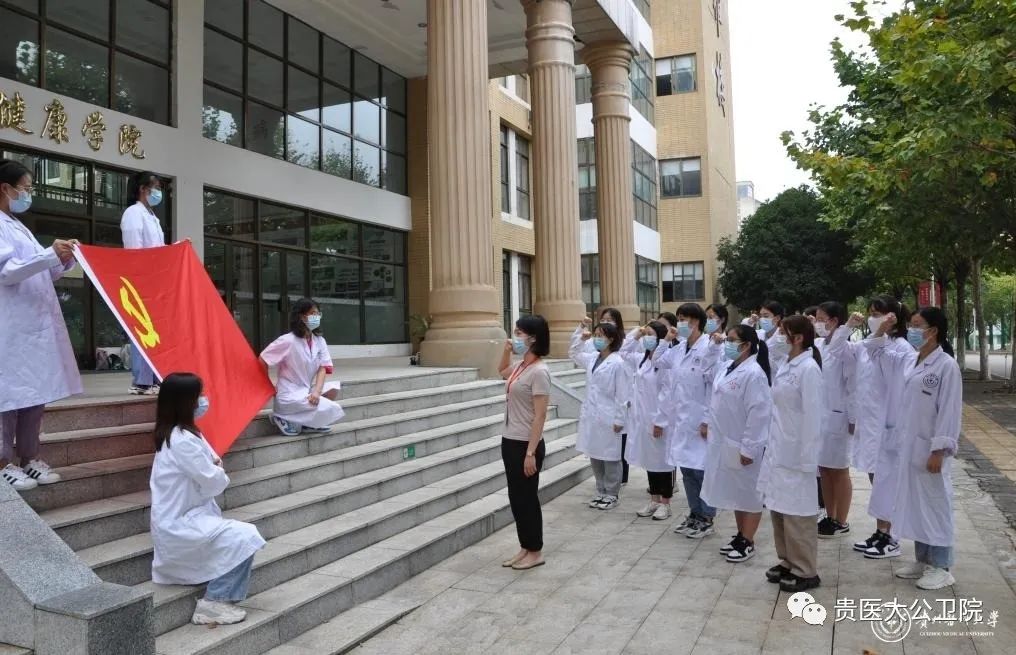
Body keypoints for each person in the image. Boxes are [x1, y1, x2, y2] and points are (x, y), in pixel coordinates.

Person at [149, 373, 266, 625]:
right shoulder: (181, 441)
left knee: (241, 537)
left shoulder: (181, 434)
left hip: (189, 516)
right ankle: (214, 602)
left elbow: (208, 472)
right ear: (186, 402)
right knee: (246, 536)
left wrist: (213, 467)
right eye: (198, 395)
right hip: (179, 523)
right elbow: (213, 481)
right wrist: (217, 469)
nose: (203, 400)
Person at [864, 308, 961, 590]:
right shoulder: (910, 359)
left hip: (930, 450)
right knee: (916, 505)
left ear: (934, 331)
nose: (912, 330)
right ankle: (923, 559)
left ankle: (941, 566)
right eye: (910, 324)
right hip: (908, 448)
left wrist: (939, 450)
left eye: (918, 325)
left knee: (935, 504)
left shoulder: (946, 366)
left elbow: (949, 411)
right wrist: (883, 327)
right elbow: (874, 348)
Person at [0, 159, 80, 491]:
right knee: (8, 396)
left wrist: (63, 258)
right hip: (10, 326)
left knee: (34, 394)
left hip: (33, 327)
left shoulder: (18, 225)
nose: (28, 194)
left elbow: (44, 268)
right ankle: (3, 462)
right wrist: (49, 254)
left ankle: (29, 458)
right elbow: (7, 270)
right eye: (26, 188)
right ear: (5, 188)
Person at [841, 297, 913, 558]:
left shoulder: (902, 348)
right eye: (871, 313)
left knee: (888, 480)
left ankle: (891, 536)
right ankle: (881, 530)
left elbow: (900, 386)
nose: (873, 318)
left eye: (878, 313)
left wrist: (880, 334)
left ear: (893, 317)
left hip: (889, 425)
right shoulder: (869, 343)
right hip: (870, 423)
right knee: (876, 477)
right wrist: (851, 327)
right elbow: (842, 351)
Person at [758, 315, 825, 592]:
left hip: (798, 454)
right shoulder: (787, 364)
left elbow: (813, 417)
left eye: (783, 333)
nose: (779, 338)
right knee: (780, 509)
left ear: (797, 338)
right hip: (779, 450)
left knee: (798, 514)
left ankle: (805, 569)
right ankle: (787, 560)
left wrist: (808, 458)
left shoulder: (808, 369)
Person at [700, 324, 773, 562]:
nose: (727, 343)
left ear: (746, 345)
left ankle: (748, 541)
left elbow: (758, 414)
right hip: (725, 441)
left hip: (744, 443)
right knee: (736, 492)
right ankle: (741, 534)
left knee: (750, 494)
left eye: (731, 340)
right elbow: (706, 371)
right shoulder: (727, 367)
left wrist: (750, 448)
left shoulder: (754, 374)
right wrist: (714, 346)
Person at [656, 303, 719, 539]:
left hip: (700, 421)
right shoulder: (679, 348)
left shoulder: (709, 348)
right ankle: (695, 513)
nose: (681, 323)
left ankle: (707, 517)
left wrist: (706, 420)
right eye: (680, 319)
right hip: (681, 421)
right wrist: (666, 340)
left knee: (702, 471)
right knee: (687, 471)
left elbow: (712, 387)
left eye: (685, 319)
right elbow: (657, 361)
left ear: (697, 322)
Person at [499, 314, 552, 571]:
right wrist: (506, 350)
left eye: (520, 333)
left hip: (526, 444)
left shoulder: (540, 371)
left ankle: (535, 551)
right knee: (517, 498)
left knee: (527, 499)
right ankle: (525, 546)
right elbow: (502, 372)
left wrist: (530, 453)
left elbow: (540, 415)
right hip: (510, 439)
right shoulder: (522, 366)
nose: (515, 337)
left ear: (533, 338)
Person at [259, 298, 345, 437]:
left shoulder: (319, 341)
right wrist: (268, 386)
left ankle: (306, 422)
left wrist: (316, 392)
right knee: (331, 408)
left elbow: (323, 367)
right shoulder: (288, 340)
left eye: (318, 314)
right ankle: (280, 416)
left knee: (333, 389)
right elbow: (263, 359)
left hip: (306, 390)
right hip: (289, 393)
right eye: (312, 313)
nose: (316, 317)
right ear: (302, 316)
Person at [570, 318, 628, 510]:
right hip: (592, 415)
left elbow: (622, 394)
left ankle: (612, 493)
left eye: (600, 336)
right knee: (595, 454)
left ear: (611, 339)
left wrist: (620, 419)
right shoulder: (592, 358)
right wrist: (580, 333)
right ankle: (601, 490)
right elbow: (573, 353)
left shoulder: (618, 362)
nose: (596, 339)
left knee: (610, 457)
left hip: (609, 416)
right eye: (595, 335)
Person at [621, 321, 674, 520]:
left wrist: (660, 421)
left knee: (662, 462)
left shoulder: (665, 362)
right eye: (646, 334)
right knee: (649, 460)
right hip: (642, 419)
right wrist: (637, 332)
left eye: (650, 334)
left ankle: (666, 503)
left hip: (659, 420)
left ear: (660, 337)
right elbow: (623, 351)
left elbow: (667, 394)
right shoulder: (642, 360)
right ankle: (654, 499)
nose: (646, 338)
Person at [120, 171, 165, 395]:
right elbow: (134, 250)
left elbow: (158, 250)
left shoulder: (152, 217)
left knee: (155, 330)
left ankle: (155, 377)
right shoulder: (133, 213)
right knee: (142, 328)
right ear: (142, 189)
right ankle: (141, 381)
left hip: (155, 280)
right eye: (156, 187)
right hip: (140, 279)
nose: (158, 192)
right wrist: (140, 276)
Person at [814, 301, 856, 539]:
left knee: (839, 470)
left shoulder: (846, 349)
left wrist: (853, 417)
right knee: (824, 469)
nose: (818, 322)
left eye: (821, 319)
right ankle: (829, 516)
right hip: (821, 416)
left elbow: (852, 385)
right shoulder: (819, 345)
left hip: (839, 416)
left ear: (834, 321)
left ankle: (842, 520)